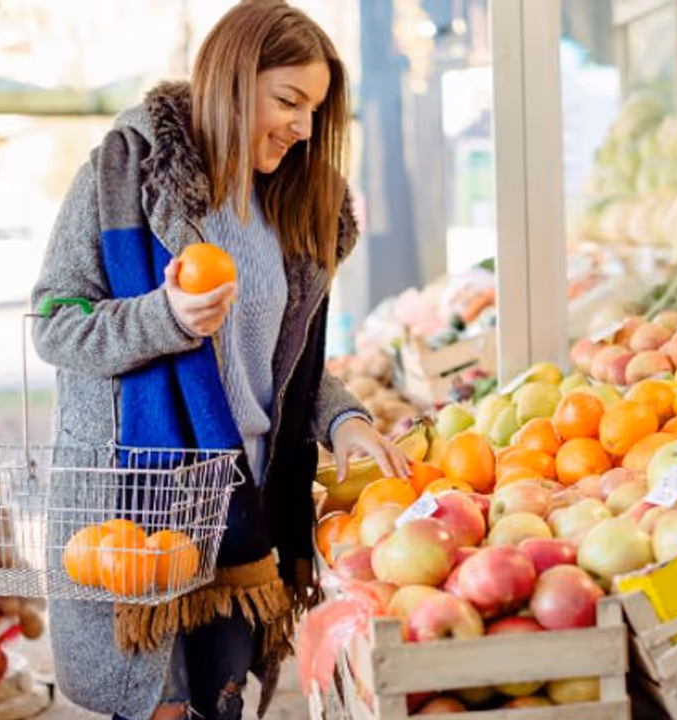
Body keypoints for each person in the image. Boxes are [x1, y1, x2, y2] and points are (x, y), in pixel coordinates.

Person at [30, 2, 409, 718]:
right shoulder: (126, 172)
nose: (302, 127)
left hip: (243, 507)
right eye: (288, 101)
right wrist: (163, 318)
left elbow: (282, 368)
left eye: (314, 109)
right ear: (234, 80)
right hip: (137, 510)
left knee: (223, 705)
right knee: (160, 707)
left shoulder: (295, 208)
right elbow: (55, 325)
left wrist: (346, 422)